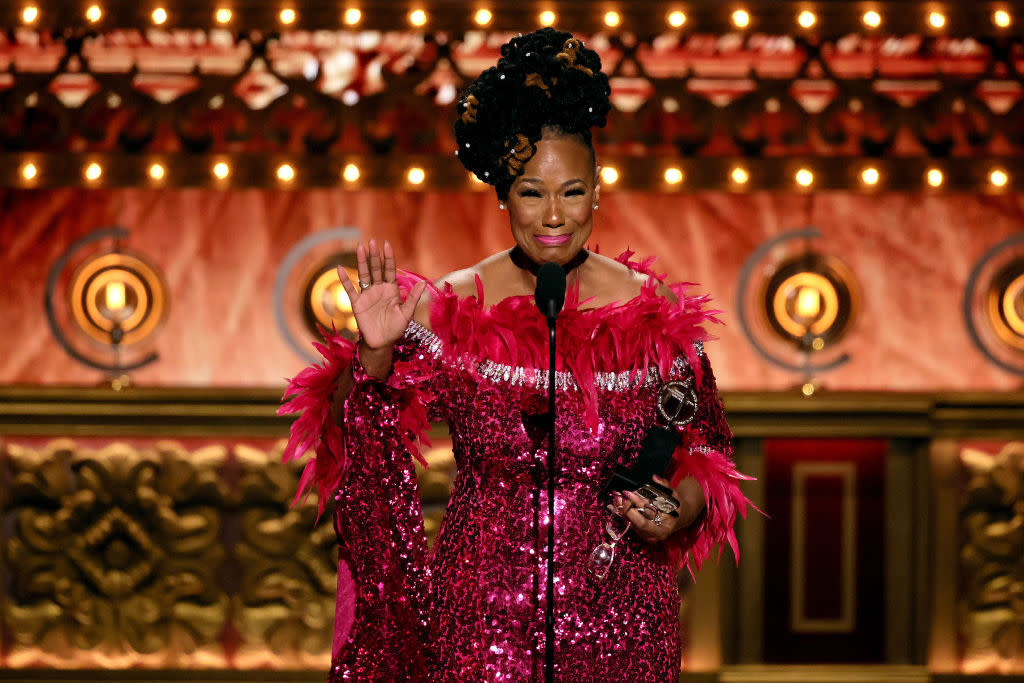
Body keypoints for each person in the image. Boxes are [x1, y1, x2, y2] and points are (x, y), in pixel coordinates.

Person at [280, 27, 752, 682]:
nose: (553, 215)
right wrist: (374, 354)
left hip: (623, 622)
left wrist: (678, 506)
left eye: (571, 191)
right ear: (503, 195)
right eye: (532, 192)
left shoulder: (652, 308)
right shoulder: (447, 306)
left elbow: (708, 447)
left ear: (596, 192)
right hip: (479, 623)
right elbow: (349, 441)